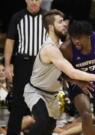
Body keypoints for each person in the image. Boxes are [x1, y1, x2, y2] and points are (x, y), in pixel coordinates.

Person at [23, 9, 95, 135]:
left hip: (53, 94)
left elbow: (65, 74)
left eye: (64, 21)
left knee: (49, 127)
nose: (65, 24)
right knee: (42, 122)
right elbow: (72, 72)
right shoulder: (50, 48)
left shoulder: (63, 46)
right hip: (36, 91)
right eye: (60, 22)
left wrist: (77, 82)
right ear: (51, 27)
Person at [4, 0, 47, 134]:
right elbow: (10, 41)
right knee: (18, 102)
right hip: (23, 62)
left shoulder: (48, 17)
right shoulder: (17, 17)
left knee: (45, 100)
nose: (34, 2)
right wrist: (7, 65)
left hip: (43, 63)